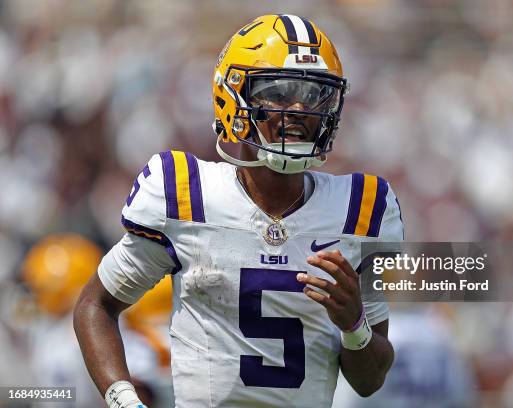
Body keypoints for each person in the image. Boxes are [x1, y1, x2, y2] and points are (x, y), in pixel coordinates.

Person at [74, 14, 403, 408]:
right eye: (279, 91)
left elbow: (371, 381)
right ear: (233, 96)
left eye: (315, 94)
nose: (299, 108)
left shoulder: (359, 210)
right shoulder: (186, 194)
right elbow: (95, 305)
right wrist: (124, 400)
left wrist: (354, 325)